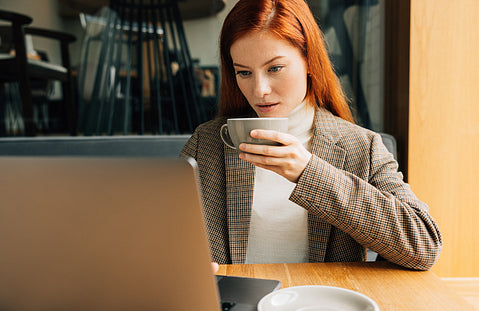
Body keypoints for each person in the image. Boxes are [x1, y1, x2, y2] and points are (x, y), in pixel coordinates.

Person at [181, 0, 442, 270]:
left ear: (309, 61)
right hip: (235, 307)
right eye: (244, 73)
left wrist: (310, 173)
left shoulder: (362, 147)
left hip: (320, 308)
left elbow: (424, 247)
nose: (259, 90)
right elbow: (162, 235)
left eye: (274, 68)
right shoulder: (209, 143)